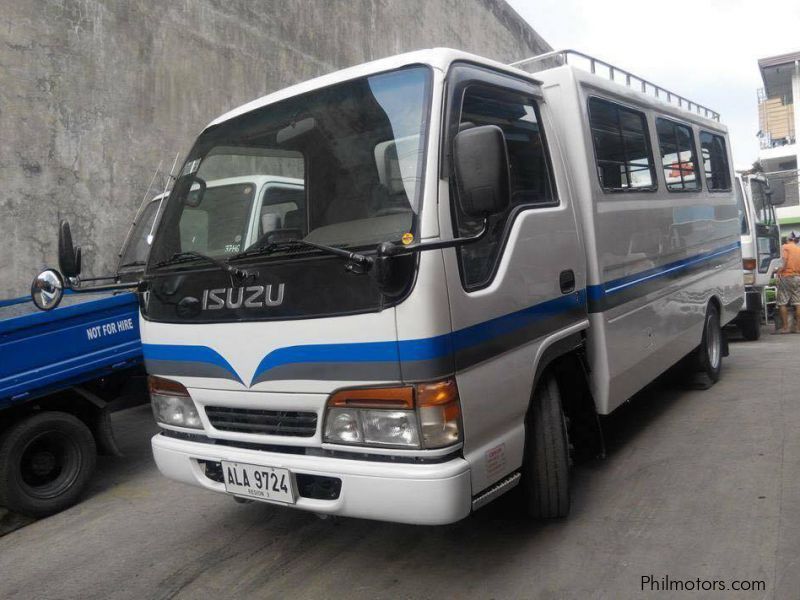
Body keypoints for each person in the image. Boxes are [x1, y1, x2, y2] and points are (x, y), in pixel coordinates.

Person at [776, 231, 800, 333]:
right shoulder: (799, 249)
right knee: (798, 302)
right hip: (797, 277)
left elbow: (784, 261)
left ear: (789, 238)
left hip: (786, 276)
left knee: (782, 302)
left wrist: (778, 271)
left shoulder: (785, 247)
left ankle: (785, 328)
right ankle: (798, 328)